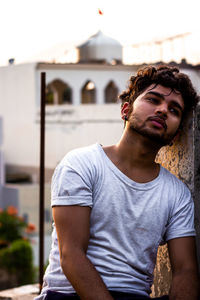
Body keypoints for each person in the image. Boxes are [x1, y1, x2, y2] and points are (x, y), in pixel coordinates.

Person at [35, 65, 200, 300]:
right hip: (69, 293)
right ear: (125, 109)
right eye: (153, 100)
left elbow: (186, 270)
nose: (163, 110)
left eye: (174, 110)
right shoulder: (82, 163)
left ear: (175, 135)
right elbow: (71, 254)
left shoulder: (177, 194)